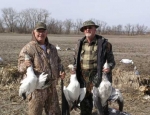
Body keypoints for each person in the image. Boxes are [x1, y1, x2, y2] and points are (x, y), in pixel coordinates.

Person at [18, 22, 65, 115]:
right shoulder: (28, 48)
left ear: (46, 33)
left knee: (55, 113)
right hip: (36, 89)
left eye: (43, 31)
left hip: (52, 88)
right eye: (38, 31)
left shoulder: (52, 48)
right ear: (34, 32)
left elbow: (58, 62)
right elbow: (20, 67)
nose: (41, 34)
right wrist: (25, 64)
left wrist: (61, 71)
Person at [74, 20, 116, 115]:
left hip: (100, 78)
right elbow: (75, 61)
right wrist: (74, 69)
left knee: (102, 106)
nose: (88, 29)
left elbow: (112, 62)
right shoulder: (79, 44)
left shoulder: (104, 44)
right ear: (83, 31)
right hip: (83, 79)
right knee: (85, 107)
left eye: (90, 27)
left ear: (95, 29)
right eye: (85, 28)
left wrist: (109, 67)